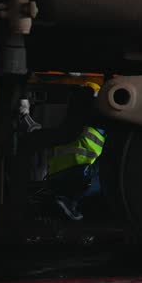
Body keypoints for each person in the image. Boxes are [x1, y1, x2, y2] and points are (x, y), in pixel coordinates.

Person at [45, 81, 105, 220]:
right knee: (108, 177)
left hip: (58, 176)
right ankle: (70, 202)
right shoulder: (98, 125)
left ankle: (69, 201)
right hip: (77, 178)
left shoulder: (71, 123)